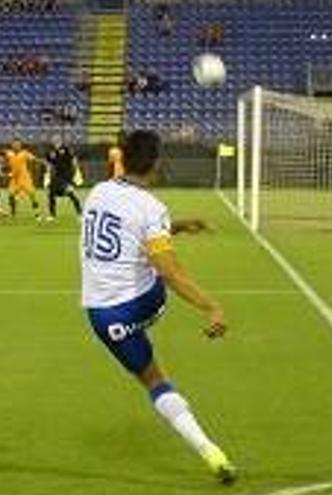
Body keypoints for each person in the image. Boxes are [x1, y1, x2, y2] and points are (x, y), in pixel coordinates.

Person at [80, 130, 237, 484]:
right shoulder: (152, 208)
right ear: (156, 163)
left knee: (154, 381)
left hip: (100, 316)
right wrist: (211, 306)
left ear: (122, 158)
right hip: (145, 303)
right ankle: (211, 451)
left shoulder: (98, 191)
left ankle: (212, 454)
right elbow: (169, 271)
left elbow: (124, 229)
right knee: (157, 266)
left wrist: (174, 227)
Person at [44, 134, 83, 221]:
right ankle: (52, 215)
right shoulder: (50, 151)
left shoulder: (66, 149)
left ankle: (80, 213)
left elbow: (73, 159)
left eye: (58, 139)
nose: (56, 141)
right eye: (54, 139)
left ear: (61, 141)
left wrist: (77, 172)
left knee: (70, 193)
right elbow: (48, 164)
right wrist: (47, 175)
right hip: (56, 175)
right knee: (51, 194)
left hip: (66, 175)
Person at [4, 137, 42, 220]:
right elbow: (4, 162)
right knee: (10, 194)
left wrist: (41, 162)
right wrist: (6, 171)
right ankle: (13, 213)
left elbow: (34, 159)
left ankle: (37, 213)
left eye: (18, 144)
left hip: (24, 178)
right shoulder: (8, 153)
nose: (16, 145)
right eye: (14, 144)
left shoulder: (25, 153)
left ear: (21, 145)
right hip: (14, 178)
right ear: (12, 145)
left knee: (32, 195)